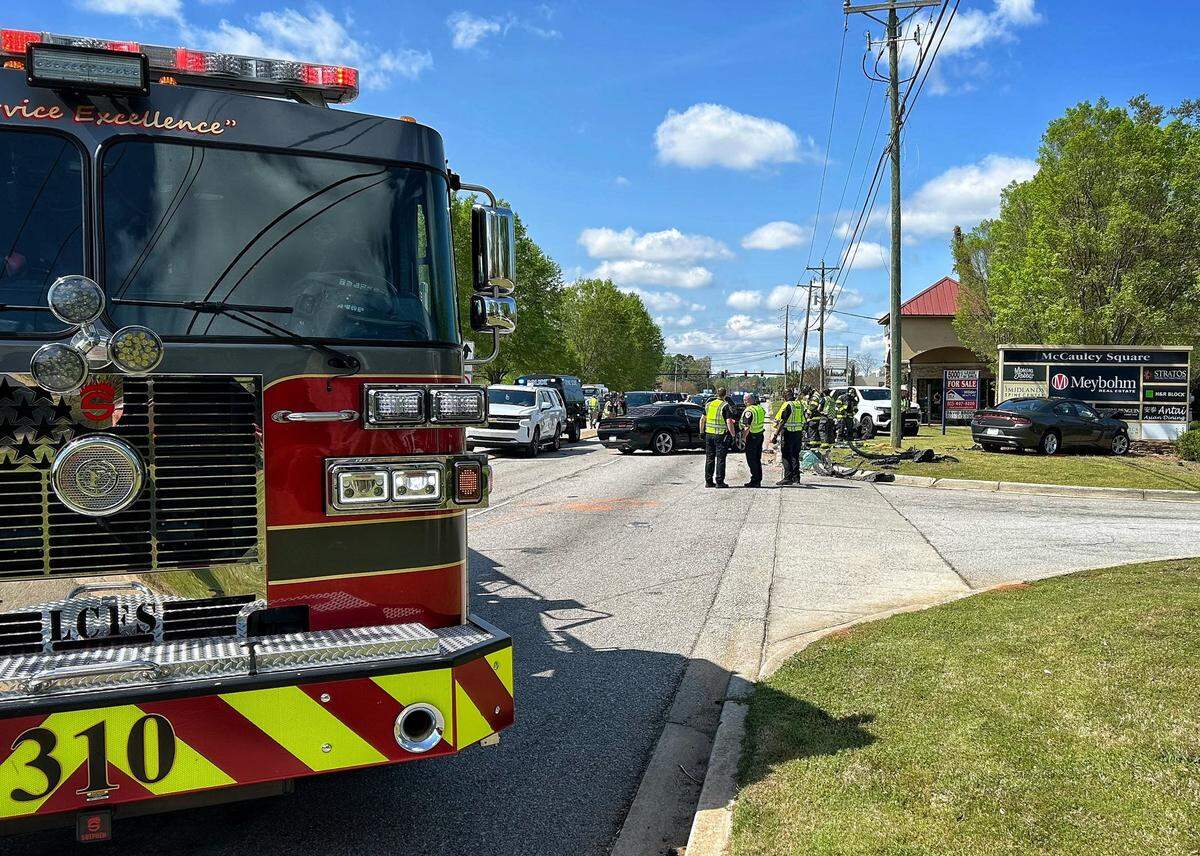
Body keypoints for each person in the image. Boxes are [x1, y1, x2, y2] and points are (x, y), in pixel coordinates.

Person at [699, 386, 736, 488]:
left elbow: (702, 419)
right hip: (720, 435)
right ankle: (719, 482)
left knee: (709, 458)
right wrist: (733, 435)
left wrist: (701, 432)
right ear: (725, 395)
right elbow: (729, 422)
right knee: (720, 459)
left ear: (716, 394)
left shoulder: (709, 404)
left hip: (709, 434)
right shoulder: (725, 406)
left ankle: (708, 481)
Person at [769, 388, 806, 485]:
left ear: (785, 395)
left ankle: (788, 477)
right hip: (798, 433)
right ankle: (796, 478)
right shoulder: (799, 404)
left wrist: (775, 435)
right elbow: (803, 419)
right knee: (795, 455)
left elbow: (783, 421)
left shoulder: (788, 405)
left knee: (786, 455)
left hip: (788, 433)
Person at [739, 393, 766, 487]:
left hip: (752, 437)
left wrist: (743, 438)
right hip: (760, 435)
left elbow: (747, 427)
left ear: (749, 400)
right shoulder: (760, 408)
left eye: (745, 400)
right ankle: (758, 479)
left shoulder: (749, 411)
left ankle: (755, 480)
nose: (744, 402)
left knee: (751, 459)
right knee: (757, 459)